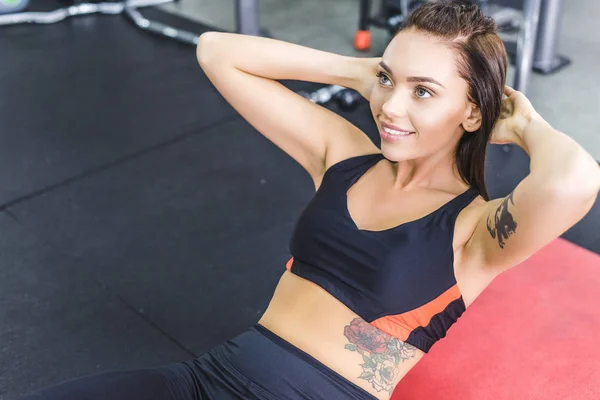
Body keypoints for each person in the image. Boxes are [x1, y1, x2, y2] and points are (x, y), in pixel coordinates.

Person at [20, 2, 600, 400]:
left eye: (424, 92)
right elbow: (216, 51)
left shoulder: (475, 232)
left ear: (473, 111)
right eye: (390, 82)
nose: (392, 108)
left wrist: (525, 123)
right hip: (204, 380)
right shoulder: (344, 155)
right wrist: (363, 72)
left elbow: (574, 180)